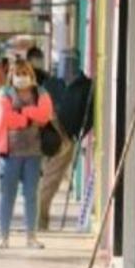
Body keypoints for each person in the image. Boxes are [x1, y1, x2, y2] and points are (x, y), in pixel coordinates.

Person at [0, 60, 54, 250]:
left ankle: (32, 237)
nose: (21, 76)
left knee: (31, 196)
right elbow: (5, 117)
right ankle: (3, 236)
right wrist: (29, 120)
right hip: (10, 152)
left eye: (25, 72)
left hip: (34, 152)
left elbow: (45, 115)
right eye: (18, 73)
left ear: (31, 74)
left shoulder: (41, 93)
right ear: (11, 74)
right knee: (7, 195)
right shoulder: (3, 93)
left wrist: (22, 111)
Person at [38, 56, 94, 230]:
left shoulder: (86, 86)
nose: (68, 68)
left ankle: (39, 219)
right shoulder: (51, 84)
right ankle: (39, 218)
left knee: (50, 182)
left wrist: (80, 134)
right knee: (42, 181)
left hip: (66, 138)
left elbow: (90, 115)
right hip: (45, 136)